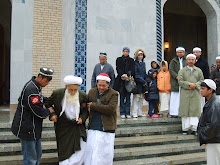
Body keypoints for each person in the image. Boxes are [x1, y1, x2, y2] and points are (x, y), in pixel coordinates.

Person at [11, 67, 55, 165]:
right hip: (27, 128)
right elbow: (37, 110)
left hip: (34, 128)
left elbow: (39, 99)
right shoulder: (31, 88)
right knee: (30, 158)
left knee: (37, 154)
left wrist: (50, 100)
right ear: (40, 77)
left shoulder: (36, 86)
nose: (47, 84)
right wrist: (49, 111)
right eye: (46, 81)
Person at [45, 75, 89, 164]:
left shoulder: (83, 96)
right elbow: (47, 104)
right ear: (66, 87)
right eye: (70, 90)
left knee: (81, 146)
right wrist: (52, 114)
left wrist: (82, 119)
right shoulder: (57, 93)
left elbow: (85, 110)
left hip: (77, 125)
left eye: (75, 90)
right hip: (63, 126)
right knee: (64, 148)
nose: (73, 92)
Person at [84, 73, 118, 165]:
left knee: (104, 153)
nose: (101, 87)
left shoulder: (114, 94)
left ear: (108, 84)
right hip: (93, 125)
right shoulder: (91, 92)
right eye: (99, 85)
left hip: (107, 127)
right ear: (96, 83)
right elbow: (85, 107)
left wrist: (94, 106)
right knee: (91, 151)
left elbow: (110, 109)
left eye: (104, 85)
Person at [178, 54, 204, 135]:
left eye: (193, 59)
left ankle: (194, 128)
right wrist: (188, 84)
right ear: (186, 60)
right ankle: (185, 128)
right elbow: (180, 81)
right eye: (189, 59)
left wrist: (195, 85)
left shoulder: (198, 70)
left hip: (195, 92)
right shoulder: (182, 71)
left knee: (194, 110)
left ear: (195, 60)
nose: (191, 61)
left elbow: (201, 80)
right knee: (185, 109)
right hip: (185, 92)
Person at [198, 79, 220, 165]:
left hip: (214, 140)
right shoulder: (211, 102)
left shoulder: (215, 104)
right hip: (213, 140)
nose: (200, 90)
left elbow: (214, 125)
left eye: (203, 88)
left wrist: (202, 133)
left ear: (210, 90)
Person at [114, 47, 134, 119]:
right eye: (124, 51)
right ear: (123, 52)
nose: (126, 52)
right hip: (121, 81)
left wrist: (128, 76)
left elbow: (132, 69)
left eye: (127, 51)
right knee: (122, 97)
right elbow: (118, 68)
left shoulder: (131, 60)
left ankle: (127, 112)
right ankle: (122, 112)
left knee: (128, 97)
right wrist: (122, 75)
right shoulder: (119, 59)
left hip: (128, 81)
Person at [169, 46, 187, 118]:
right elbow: (171, 70)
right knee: (175, 97)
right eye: (178, 52)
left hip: (184, 81)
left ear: (184, 53)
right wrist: (176, 76)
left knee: (183, 97)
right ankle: (174, 112)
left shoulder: (186, 60)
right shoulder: (173, 61)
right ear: (176, 53)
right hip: (175, 82)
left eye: (181, 52)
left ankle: (182, 112)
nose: (180, 53)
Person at [132, 49, 148, 118]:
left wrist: (146, 80)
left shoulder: (143, 63)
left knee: (141, 98)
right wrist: (143, 81)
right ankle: (134, 112)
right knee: (136, 98)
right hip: (137, 84)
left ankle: (140, 112)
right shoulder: (135, 63)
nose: (140, 56)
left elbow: (144, 73)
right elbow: (136, 75)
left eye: (141, 55)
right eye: (139, 55)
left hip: (143, 84)